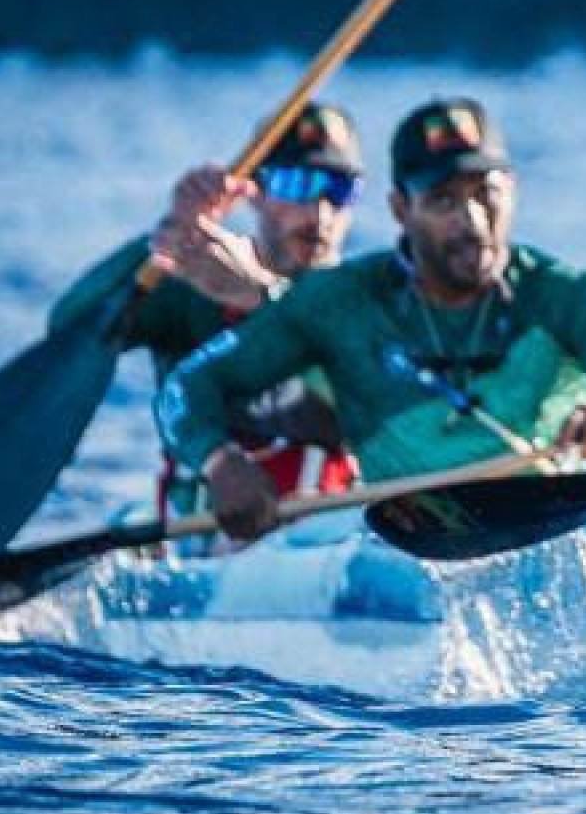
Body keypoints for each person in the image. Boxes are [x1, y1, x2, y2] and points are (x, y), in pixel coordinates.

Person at [161, 95, 586, 539]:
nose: (472, 221)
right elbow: (185, 389)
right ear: (400, 210)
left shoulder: (565, 295)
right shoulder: (341, 304)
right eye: (443, 201)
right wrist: (219, 462)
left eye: (486, 194)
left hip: (555, 524)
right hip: (410, 544)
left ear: (513, 189)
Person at [47, 102, 366, 510]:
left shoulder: (374, 301)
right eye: (296, 185)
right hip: (198, 529)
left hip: (328, 526)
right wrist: (166, 238)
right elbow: (69, 329)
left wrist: (258, 298)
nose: (320, 214)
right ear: (255, 191)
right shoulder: (193, 284)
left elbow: (376, 397)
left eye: (340, 190)